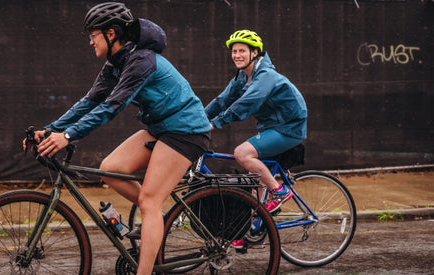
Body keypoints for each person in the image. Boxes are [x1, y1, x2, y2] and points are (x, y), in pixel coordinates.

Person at [23, 2, 211, 274]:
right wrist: (50, 129)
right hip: (161, 128)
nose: (90, 42)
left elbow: (112, 106)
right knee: (110, 169)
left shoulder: (141, 60)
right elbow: (88, 102)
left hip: (186, 131)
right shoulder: (115, 63)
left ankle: (145, 262)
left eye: (93, 35)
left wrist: (68, 135)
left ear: (111, 34)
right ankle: (155, 218)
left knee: (149, 200)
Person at [205, 30, 307, 248]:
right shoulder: (243, 76)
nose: (237, 55)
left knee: (242, 153)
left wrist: (216, 123)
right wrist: (197, 120)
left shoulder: (265, 76)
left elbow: (248, 103)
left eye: (242, 50)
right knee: (253, 184)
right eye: (234, 51)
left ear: (254, 52)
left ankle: (280, 192)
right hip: (271, 128)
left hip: (289, 128)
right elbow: (222, 100)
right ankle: (252, 232)